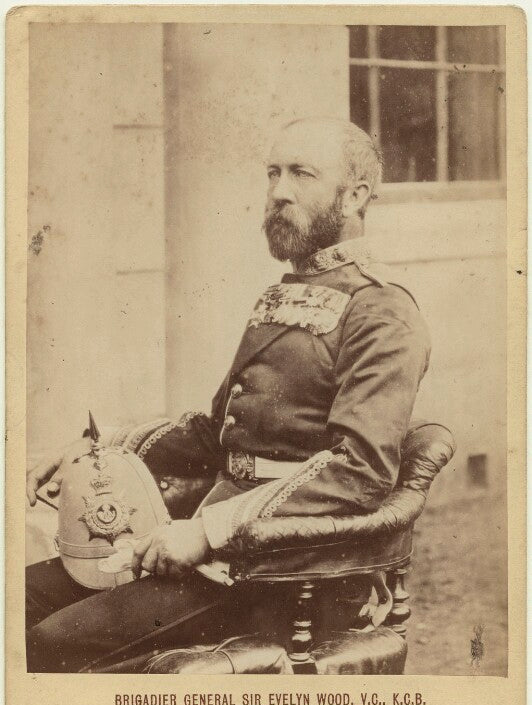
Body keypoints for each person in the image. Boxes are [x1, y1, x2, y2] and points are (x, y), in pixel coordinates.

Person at [25, 117, 430, 672]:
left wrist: (208, 532)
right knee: (20, 596)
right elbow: (215, 432)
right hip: (218, 551)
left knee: (50, 641)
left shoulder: (382, 311)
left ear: (356, 195)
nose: (279, 191)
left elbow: (360, 470)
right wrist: (99, 449)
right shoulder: (284, 296)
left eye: (302, 174)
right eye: (273, 173)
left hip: (287, 572)